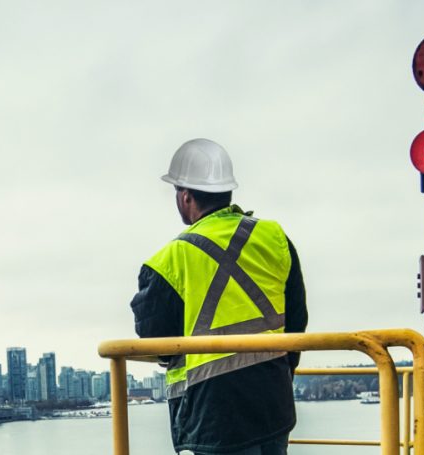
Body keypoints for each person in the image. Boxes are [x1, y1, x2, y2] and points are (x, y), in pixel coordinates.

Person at [129, 138, 308, 455]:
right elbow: (296, 320)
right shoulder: (274, 237)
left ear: (185, 196)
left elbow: (155, 340)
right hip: (272, 404)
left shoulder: (169, 260)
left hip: (215, 417)